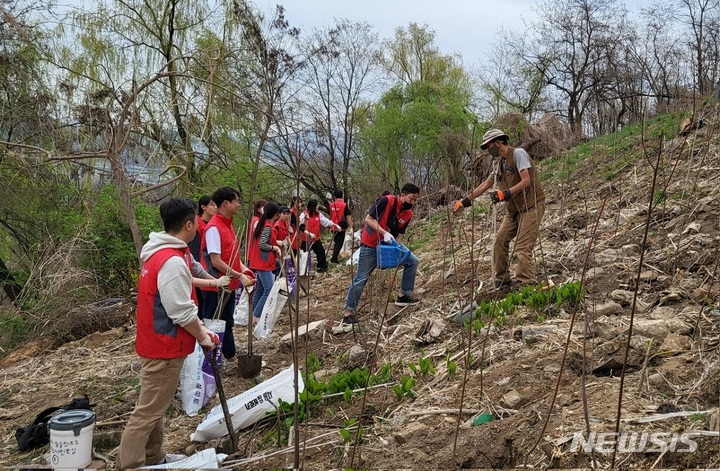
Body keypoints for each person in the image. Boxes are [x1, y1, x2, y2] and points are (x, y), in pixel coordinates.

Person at [117, 197, 224, 470]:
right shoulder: (170, 262)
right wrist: (203, 335)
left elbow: (190, 278)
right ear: (188, 224)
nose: (199, 227)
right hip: (163, 347)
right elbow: (181, 312)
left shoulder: (164, 252)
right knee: (147, 411)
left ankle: (154, 457)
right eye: (197, 222)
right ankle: (128, 464)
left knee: (154, 406)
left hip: (155, 342)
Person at [453, 128, 546, 288]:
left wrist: (505, 194)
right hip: (514, 211)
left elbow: (526, 181)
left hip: (531, 206)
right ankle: (502, 280)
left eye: (489, 146)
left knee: (522, 248)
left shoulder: (518, 154)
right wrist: (465, 201)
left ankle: (526, 285)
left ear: (498, 142)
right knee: (499, 241)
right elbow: (485, 184)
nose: (488, 150)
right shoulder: (499, 164)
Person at [341, 183, 421, 325]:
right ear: (402, 195)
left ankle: (404, 295)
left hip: (388, 246)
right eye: (411, 198)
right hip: (370, 245)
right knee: (361, 278)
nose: (413, 202)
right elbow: (368, 219)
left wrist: (395, 249)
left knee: (412, 261)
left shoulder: (408, 213)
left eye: (415, 200)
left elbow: (400, 235)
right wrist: (384, 233)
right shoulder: (386, 201)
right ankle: (348, 312)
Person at [200, 187, 254, 363]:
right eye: (237, 201)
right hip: (216, 286)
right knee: (213, 323)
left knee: (227, 322)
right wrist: (239, 275)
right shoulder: (214, 228)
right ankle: (207, 362)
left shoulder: (228, 225)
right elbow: (216, 261)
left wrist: (244, 269)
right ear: (226, 203)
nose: (239, 205)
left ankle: (230, 357)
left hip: (228, 285)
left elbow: (231, 256)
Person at [249, 202, 282, 321]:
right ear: (276, 214)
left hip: (260, 261)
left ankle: (253, 315)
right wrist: (275, 248)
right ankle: (257, 315)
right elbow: (262, 244)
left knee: (260, 290)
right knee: (269, 289)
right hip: (263, 263)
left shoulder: (265, 225)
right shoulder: (267, 227)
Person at [188, 195, 217, 315]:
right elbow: (194, 252)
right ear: (203, 207)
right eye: (212, 205)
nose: (215, 207)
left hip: (207, 271)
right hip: (201, 270)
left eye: (216, 205)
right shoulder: (197, 227)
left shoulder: (213, 225)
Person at [299, 199, 340, 273]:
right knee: (304, 255)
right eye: (317, 205)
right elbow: (300, 225)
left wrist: (334, 225)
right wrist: (305, 219)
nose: (318, 206)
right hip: (305, 239)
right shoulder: (304, 214)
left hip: (315, 238)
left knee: (321, 252)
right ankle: (303, 270)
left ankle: (321, 267)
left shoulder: (318, 214)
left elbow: (325, 221)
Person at [329, 189, 353, 264]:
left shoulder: (331, 205)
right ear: (342, 196)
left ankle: (334, 257)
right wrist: (351, 227)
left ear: (334, 196)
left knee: (336, 243)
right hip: (341, 227)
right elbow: (348, 216)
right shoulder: (344, 205)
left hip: (333, 226)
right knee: (339, 244)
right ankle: (334, 259)